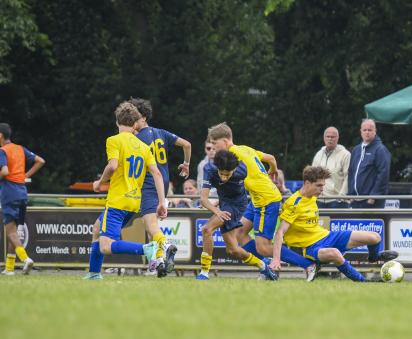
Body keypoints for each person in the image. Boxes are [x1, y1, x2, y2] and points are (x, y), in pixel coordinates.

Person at [208, 122, 314, 280]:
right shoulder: (245, 148)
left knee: (263, 247)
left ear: (225, 140)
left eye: (215, 144)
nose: (214, 148)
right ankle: (266, 268)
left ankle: (309, 265)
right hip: (258, 199)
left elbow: (233, 181)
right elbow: (270, 158)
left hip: (267, 200)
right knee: (239, 233)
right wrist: (273, 170)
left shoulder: (234, 155)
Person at [269, 166, 398, 282]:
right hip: (310, 248)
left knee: (375, 237)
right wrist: (276, 259)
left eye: (323, 185)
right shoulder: (293, 204)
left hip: (327, 236)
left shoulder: (312, 196)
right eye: (319, 186)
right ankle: (363, 281)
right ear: (307, 183)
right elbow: (280, 232)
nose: (322, 189)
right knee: (335, 254)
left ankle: (374, 258)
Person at [84, 102, 167, 280]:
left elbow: (112, 166)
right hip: (134, 202)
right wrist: (162, 202)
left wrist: (99, 182)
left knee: (106, 245)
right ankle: (94, 273)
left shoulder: (113, 140)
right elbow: (157, 173)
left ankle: (148, 249)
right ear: (136, 124)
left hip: (117, 201)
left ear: (117, 122)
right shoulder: (144, 148)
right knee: (97, 228)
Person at [129, 97, 191, 277]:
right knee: (152, 224)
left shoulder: (137, 139)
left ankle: (167, 245)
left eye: (134, 117)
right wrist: (186, 163)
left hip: (149, 183)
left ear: (143, 117)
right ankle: (159, 263)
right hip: (163, 182)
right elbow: (187, 144)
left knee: (150, 225)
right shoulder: (161, 132)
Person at [197, 150, 273, 280]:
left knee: (206, 229)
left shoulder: (244, 168)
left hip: (238, 204)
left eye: (228, 174)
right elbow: (203, 199)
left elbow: (262, 177)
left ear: (235, 169)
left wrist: (272, 171)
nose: (224, 178)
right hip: (224, 204)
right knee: (233, 250)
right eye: (221, 174)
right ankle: (263, 265)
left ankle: (204, 272)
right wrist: (218, 209)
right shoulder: (209, 169)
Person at [0, 123, 45, 276]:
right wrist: (25, 175)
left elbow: (5, 171)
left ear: (0, 135)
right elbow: (40, 161)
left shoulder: (2, 151)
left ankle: (26, 259)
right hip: (22, 193)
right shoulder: (20, 149)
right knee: (14, 233)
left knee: (10, 231)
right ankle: (10, 268)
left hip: (9, 192)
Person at [347, 119, 391, 208]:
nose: (367, 132)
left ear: (375, 131)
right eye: (365, 130)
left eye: (370, 130)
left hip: (371, 202)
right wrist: (350, 194)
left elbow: (383, 174)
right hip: (355, 201)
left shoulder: (380, 149)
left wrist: (374, 196)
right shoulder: (356, 150)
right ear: (360, 132)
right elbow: (351, 172)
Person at [312, 126, 350, 208]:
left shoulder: (345, 155)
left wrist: (341, 197)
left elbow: (348, 176)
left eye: (333, 137)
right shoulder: (318, 154)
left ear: (337, 138)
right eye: (328, 136)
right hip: (319, 200)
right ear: (324, 138)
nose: (330, 139)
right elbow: (312, 176)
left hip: (337, 200)